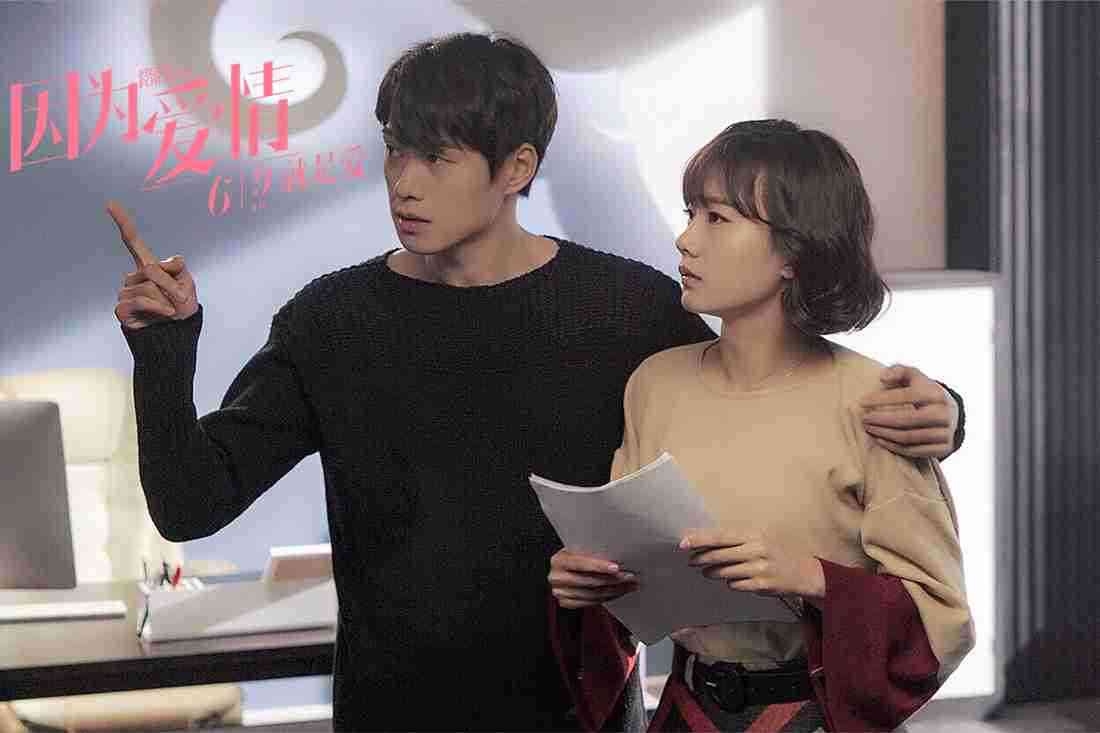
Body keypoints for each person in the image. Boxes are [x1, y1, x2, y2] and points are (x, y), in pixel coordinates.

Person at [111, 34, 966, 732]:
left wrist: (945, 414)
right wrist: (163, 347)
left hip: (586, 718)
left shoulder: (628, 310)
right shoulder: (331, 321)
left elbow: (771, 390)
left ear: (517, 167)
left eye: (436, 157)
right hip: (389, 716)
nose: (404, 181)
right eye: (395, 150)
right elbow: (190, 503)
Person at [549, 119, 974, 732]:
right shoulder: (654, 385)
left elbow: (941, 620)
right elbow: (634, 588)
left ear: (794, 252)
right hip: (684, 715)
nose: (685, 240)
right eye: (690, 214)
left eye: (716, 219)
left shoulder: (877, 404)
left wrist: (814, 578)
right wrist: (591, 584)